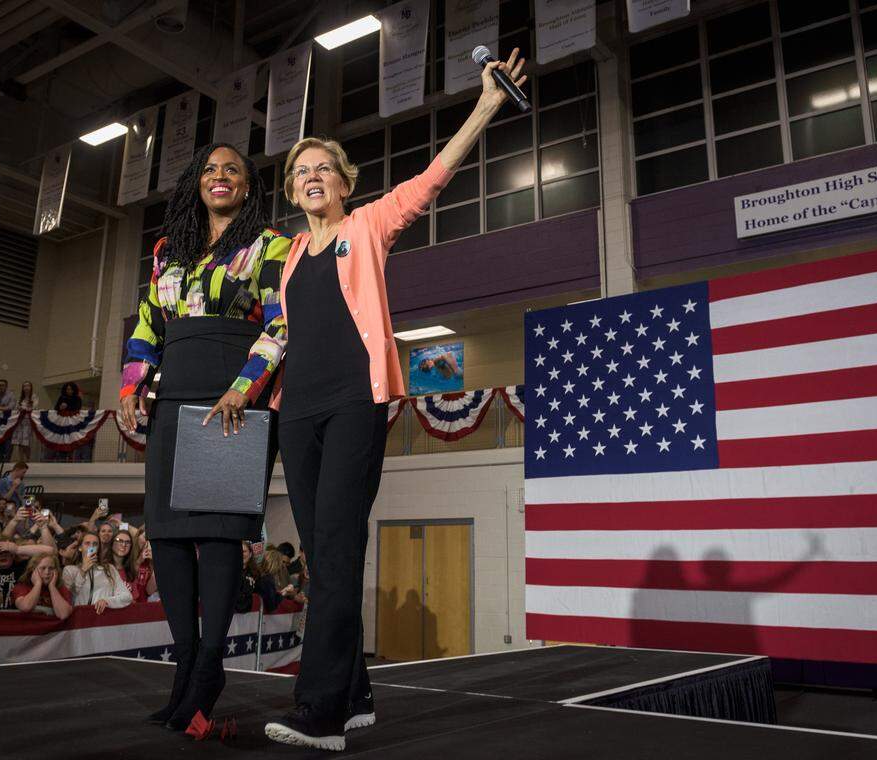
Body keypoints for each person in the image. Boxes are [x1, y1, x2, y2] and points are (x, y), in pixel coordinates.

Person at [263, 50, 528, 751]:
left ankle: (319, 711)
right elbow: (278, 335)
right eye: (301, 171)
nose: (312, 177)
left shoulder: (367, 228)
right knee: (323, 554)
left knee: (340, 547)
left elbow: (433, 177)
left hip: (355, 402)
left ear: (346, 184)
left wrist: (487, 105)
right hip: (297, 411)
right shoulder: (287, 257)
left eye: (323, 168)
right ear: (293, 191)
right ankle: (355, 694)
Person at [117, 141, 291, 732]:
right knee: (165, 534)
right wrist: (130, 386)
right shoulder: (169, 251)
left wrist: (245, 387)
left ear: (247, 187)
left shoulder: (271, 246)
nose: (220, 177)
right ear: (197, 182)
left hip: (231, 396)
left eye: (233, 170)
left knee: (217, 536)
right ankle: (186, 662)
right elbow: (147, 324)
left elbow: (281, 324)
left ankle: (211, 664)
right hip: (173, 395)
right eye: (211, 170)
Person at [0, 533, 57, 609]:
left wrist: (17, 549)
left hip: (14, 618)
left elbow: (50, 552)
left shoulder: (20, 567)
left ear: (13, 554)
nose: (3, 554)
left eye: (7, 551)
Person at [61, 531, 132, 613]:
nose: (91, 547)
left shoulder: (109, 569)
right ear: (80, 547)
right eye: (87, 543)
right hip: (81, 619)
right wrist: (83, 571)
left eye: (95, 544)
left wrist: (107, 601)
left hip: (104, 618)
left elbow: (127, 596)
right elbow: (68, 597)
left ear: (98, 548)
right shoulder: (69, 570)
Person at [13, 553, 72, 619]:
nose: (47, 572)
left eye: (51, 568)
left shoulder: (61, 589)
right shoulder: (21, 587)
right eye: (43, 568)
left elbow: (63, 614)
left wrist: (52, 587)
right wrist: (38, 584)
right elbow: (26, 607)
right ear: (33, 570)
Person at [11, 382, 38, 461]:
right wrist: (19, 408)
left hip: (28, 422)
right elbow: (16, 408)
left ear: (31, 387)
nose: (26, 387)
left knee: (26, 443)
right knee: (19, 443)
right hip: (19, 421)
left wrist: (25, 409)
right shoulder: (20, 398)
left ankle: (28, 460)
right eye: (24, 386)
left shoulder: (34, 397)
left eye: (28, 386)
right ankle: (21, 460)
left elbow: (34, 407)